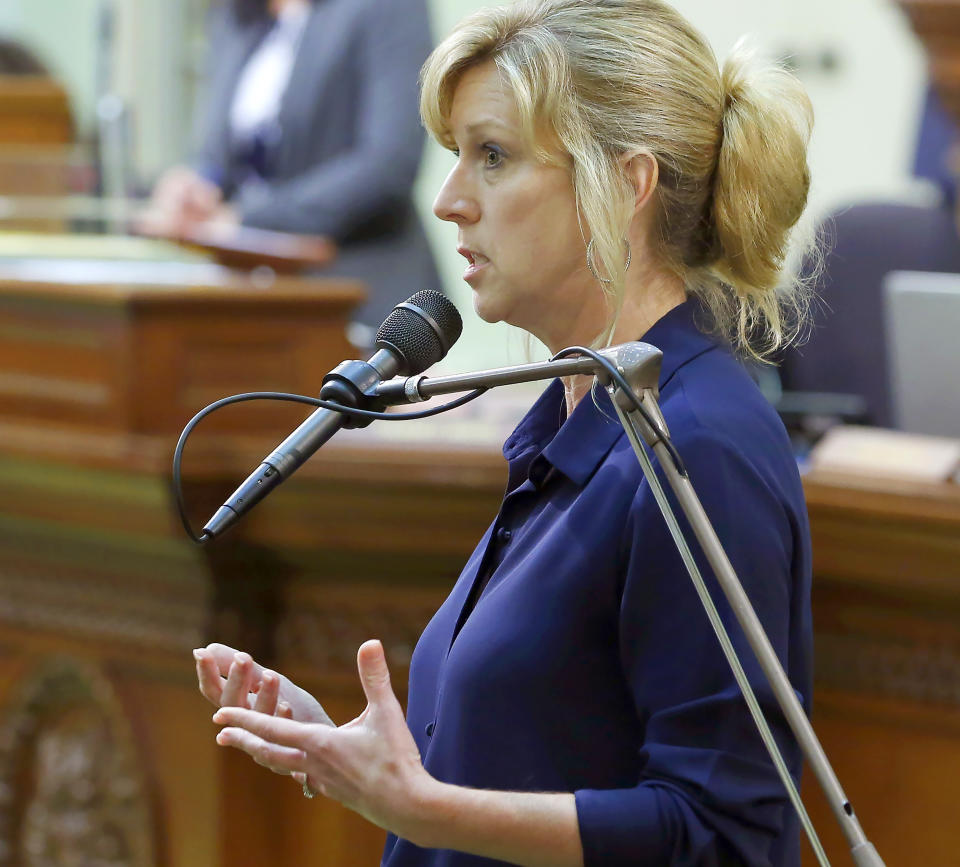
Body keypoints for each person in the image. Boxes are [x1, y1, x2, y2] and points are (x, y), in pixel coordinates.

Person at [194, 1, 816, 864]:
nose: (449, 202)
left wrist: (425, 809)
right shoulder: (567, 416)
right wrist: (348, 755)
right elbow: (537, 749)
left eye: (493, 155)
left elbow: (724, 836)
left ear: (626, 184)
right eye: (455, 157)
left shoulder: (696, 443)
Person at [145, 0, 441, 329]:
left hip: (357, 290)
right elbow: (222, 154)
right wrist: (198, 185)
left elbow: (388, 164)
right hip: (247, 290)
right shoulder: (236, 15)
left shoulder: (386, 7)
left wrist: (249, 221)